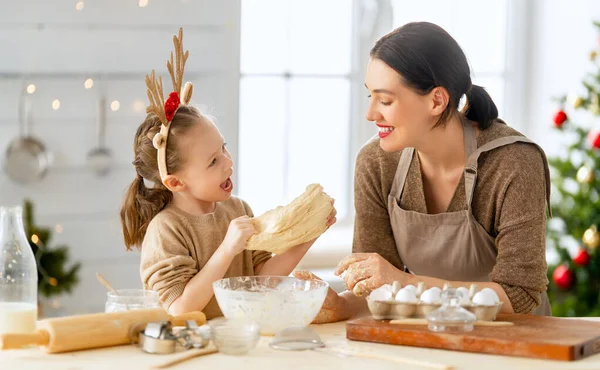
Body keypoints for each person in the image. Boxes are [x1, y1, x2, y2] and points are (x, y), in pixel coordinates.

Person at [296, 22, 551, 322]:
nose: (370, 114)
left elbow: (520, 296)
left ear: (436, 100)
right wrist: (339, 305)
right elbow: (377, 290)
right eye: (370, 97)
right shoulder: (376, 163)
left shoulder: (513, 163)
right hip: (429, 335)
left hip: (516, 343)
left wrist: (404, 283)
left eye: (386, 100)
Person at [119, 29, 336, 318]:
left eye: (224, 149)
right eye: (212, 162)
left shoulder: (237, 210)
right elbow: (179, 308)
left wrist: (310, 232)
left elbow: (262, 281)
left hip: (237, 340)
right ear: (176, 182)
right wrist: (226, 250)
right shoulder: (166, 229)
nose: (228, 163)